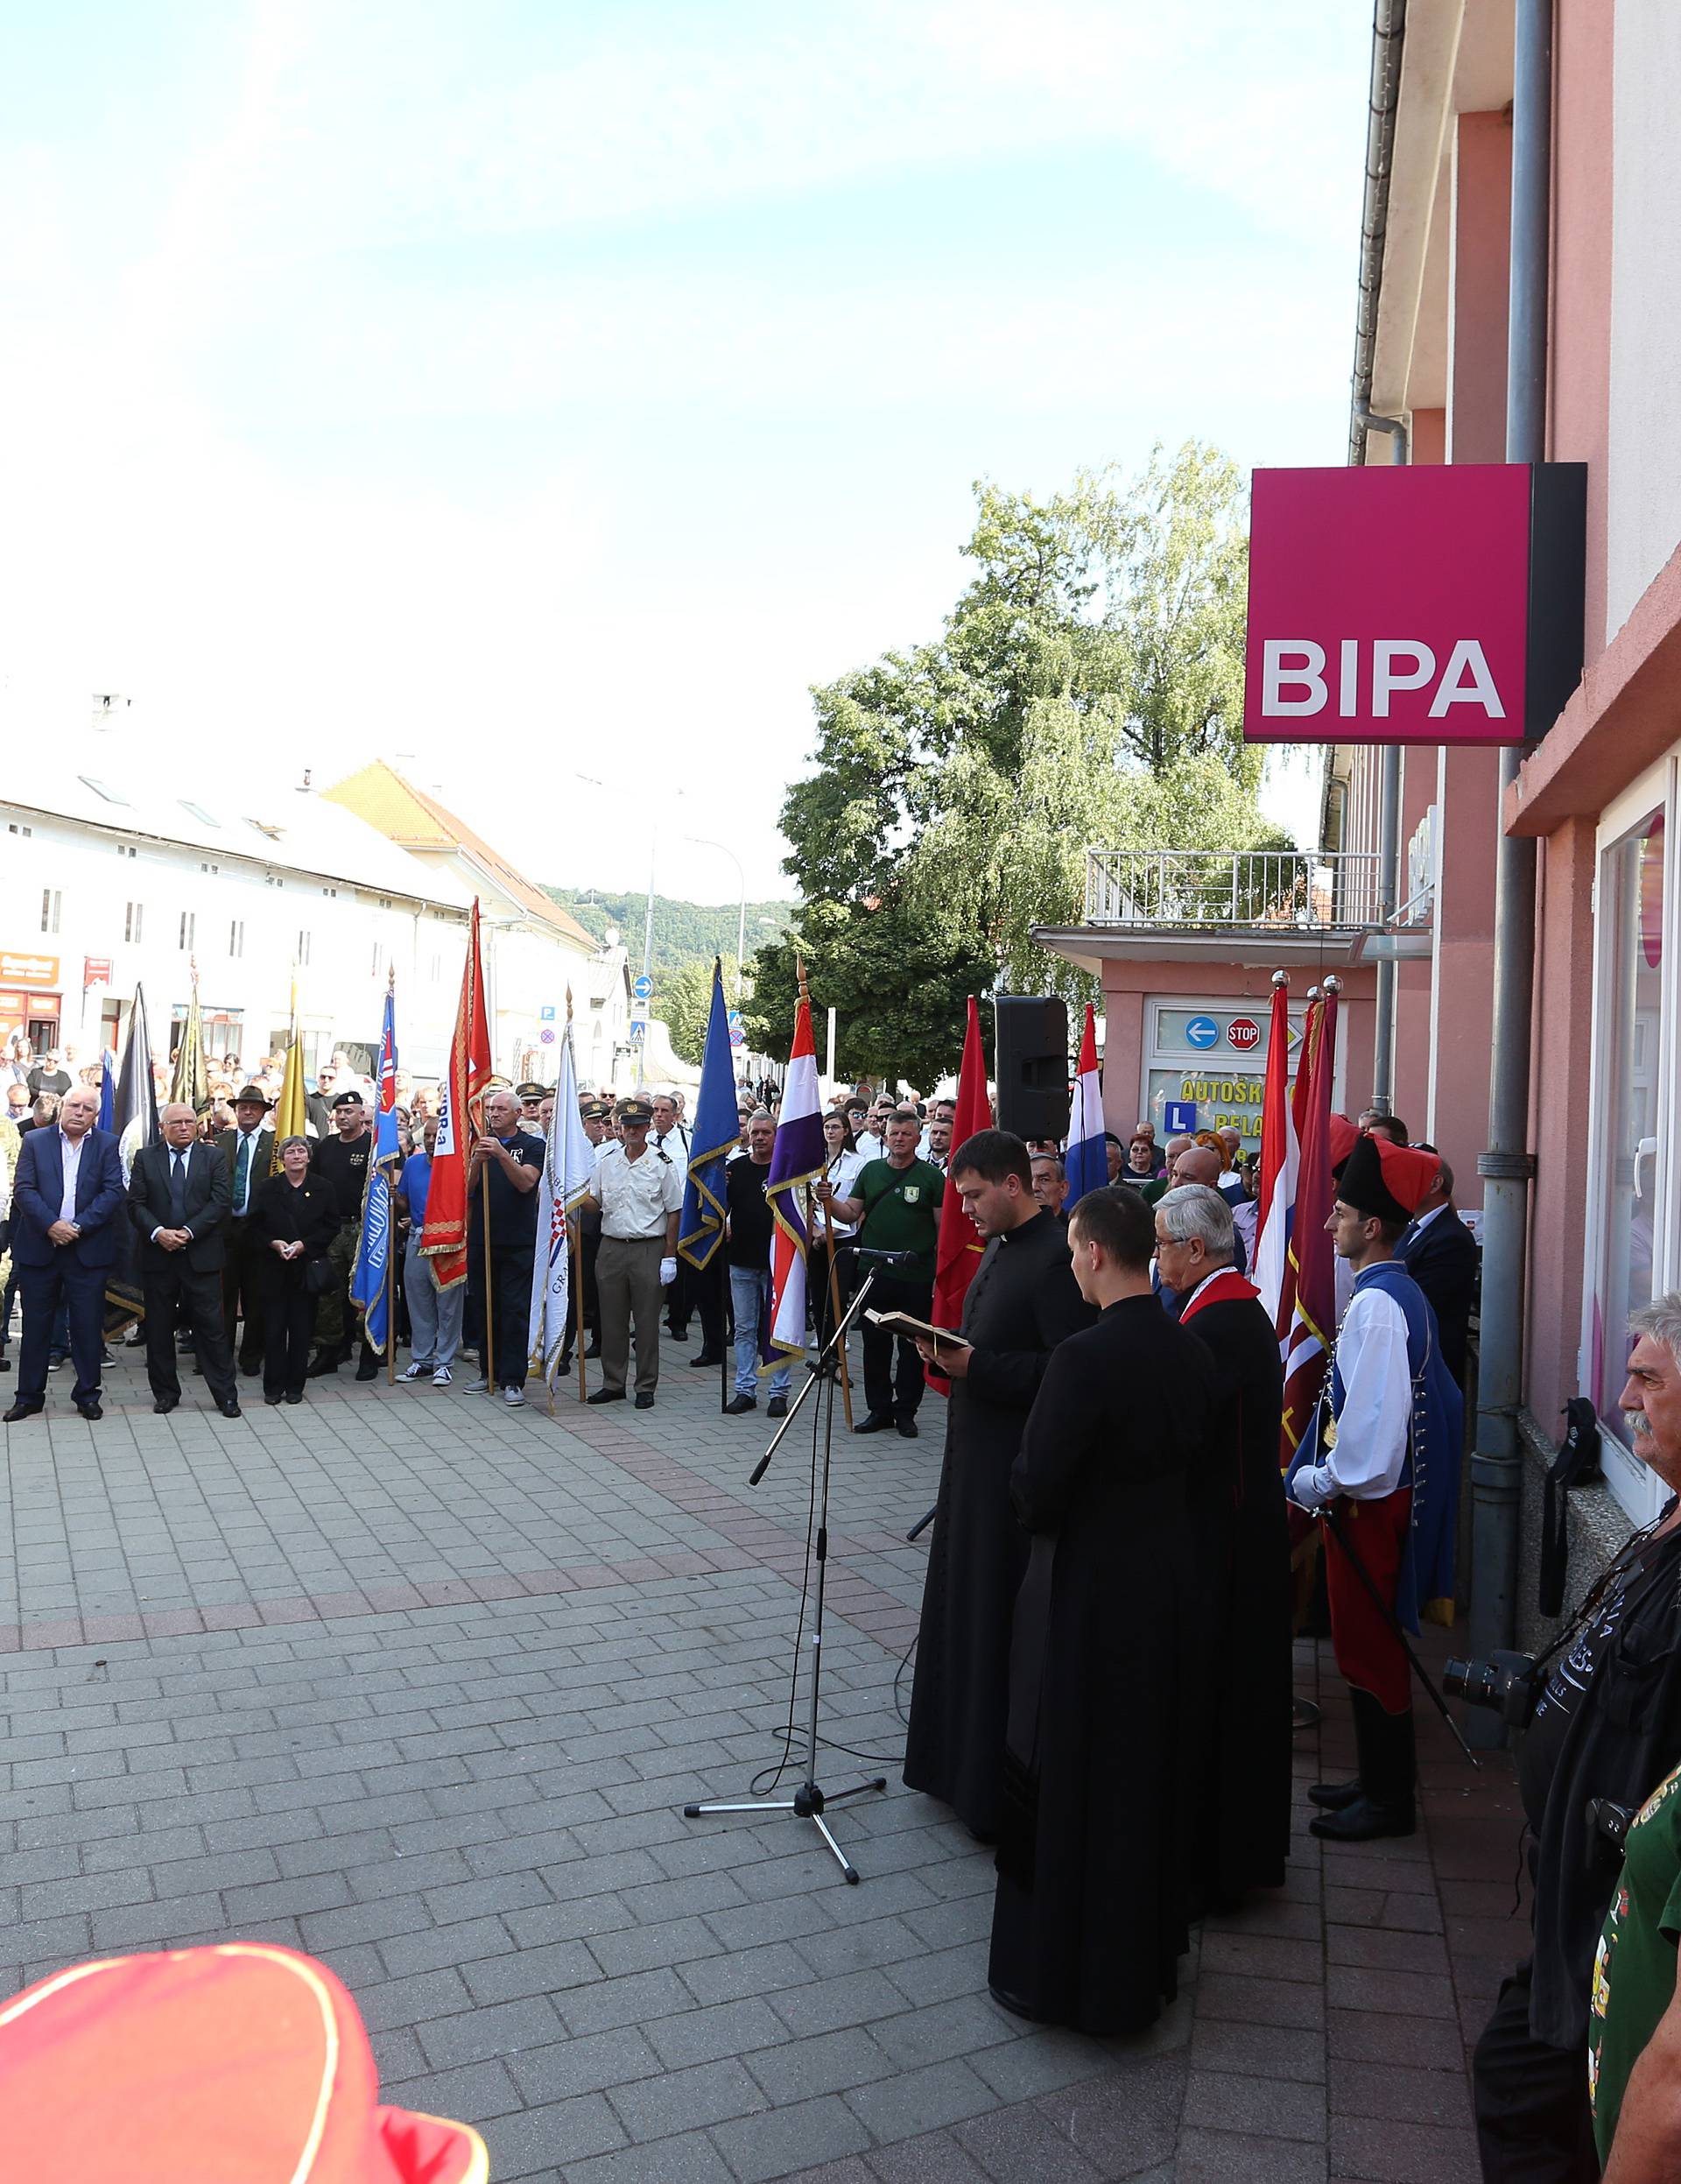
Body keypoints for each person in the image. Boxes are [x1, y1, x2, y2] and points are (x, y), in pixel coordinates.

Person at [987, 1183, 1210, 2033]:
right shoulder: (1188, 1349)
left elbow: (1037, 1487)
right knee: (1139, 1777)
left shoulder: (1083, 1357)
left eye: (1075, 1251)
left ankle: (1057, 1976)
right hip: (1163, 1594)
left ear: (1091, 1253)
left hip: (1083, 1600)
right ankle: (1134, 1969)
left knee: (1070, 1774)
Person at [1473, 1299, 1681, 2181]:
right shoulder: (1669, 1517)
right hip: (1578, 1898)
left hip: (1618, 1914)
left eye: (1649, 1377)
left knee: (1530, 2096)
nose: (1624, 1396)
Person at [904, 1130, 1095, 1839]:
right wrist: (946, 1344)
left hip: (1013, 1475)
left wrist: (975, 1367)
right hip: (972, 1466)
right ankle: (953, 1768)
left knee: (997, 1626)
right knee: (963, 1613)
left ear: (1014, 1185)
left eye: (976, 1196)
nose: (968, 1212)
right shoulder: (1006, 1251)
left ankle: (991, 1786)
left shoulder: (1054, 1262)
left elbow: (1065, 1372)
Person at [1285, 1132, 1462, 1843]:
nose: (1329, 1225)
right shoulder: (1386, 1292)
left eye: (1341, 1214)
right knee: (1362, 1644)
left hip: (1370, 1503)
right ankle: (1375, 1780)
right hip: (1365, 1499)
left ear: (1374, 1227)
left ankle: (1390, 1802)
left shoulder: (1381, 1304)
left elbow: (1376, 1430)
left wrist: (1321, 1481)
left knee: (1370, 1646)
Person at [1155, 1182, 1291, 1904]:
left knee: (1227, 1699)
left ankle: (1222, 1869)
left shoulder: (1220, 1320)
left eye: (1161, 1245)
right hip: (1236, 1524)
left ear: (1196, 1248)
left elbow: (1188, 1429)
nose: (1157, 1258)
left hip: (1229, 1538)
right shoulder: (1222, 1305)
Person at [819, 1107, 945, 1440]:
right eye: (894, 1134)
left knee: (912, 1348)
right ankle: (879, 1409)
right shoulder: (871, 1171)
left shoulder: (932, 1178)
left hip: (916, 1276)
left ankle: (906, 1411)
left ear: (918, 1138)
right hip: (873, 1273)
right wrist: (828, 1201)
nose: (899, 1139)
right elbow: (849, 1214)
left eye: (906, 1134)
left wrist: (938, 1274)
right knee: (875, 1346)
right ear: (885, 1137)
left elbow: (942, 1228)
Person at [3, 1086, 124, 1423]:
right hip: (40, 1248)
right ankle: (28, 1396)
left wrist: (78, 1226)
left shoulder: (107, 1145)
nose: (80, 1112)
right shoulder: (36, 1141)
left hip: (87, 1251)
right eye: (74, 1105)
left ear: (95, 1115)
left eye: (88, 1108)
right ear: (62, 1107)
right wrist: (52, 1226)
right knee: (37, 1327)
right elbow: (23, 1189)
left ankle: (87, 1395)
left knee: (86, 1327)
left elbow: (113, 1191)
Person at [581, 1096, 681, 1410]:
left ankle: (645, 1385)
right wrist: (575, 1193)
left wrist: (669, 1255)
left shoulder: (661, 1164)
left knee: (647, 1321)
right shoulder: (607, 1162)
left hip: (648, 1248)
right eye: (627, 1126)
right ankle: (613, 1383)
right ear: (619, 1128)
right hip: (611, 1246)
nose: (632, 1131)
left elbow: (674, 1210)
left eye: (638, 1125)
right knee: (611, 1319)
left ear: (647, 1126)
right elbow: (596, 1204)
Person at [252, 1136, 350, 1403]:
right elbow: (254, 1226)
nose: (296, 1155)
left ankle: (295, 1387)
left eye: (301, 1151)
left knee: (301, 1330)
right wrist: (273, 1243)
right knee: (273, 1331)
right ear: (282, 1159)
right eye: (290, 1151)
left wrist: (305, 1245)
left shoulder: (323, 1188)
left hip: (306, 1269)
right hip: (273, 1269)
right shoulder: (267, 1187)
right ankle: (272, 1387)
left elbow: (332, 1226)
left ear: (308, 1158)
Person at [463, 1088, 543, 1406]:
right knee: (484, 1307)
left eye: (500, 1109)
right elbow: (467, 1191)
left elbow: (526, 1183)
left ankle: (513, 1379)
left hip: (518, 1241)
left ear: (518, 1114)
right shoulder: (480, 1145)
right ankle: (488, 1372)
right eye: (491, 1109)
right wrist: (475, 1162)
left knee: (513, 1310)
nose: (493, 1114)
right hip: (484, 1239)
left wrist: (500, 1154)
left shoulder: (533, 1146)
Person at [722, 1112, 791, 1420]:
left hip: (780, 1263)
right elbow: (721, 1208)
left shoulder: (787, 1171)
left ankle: (779, 1392)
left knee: (778, 1328)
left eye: (766, 1132)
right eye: (755, 1132)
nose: (760, 1137)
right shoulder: (734, 1170)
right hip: (741, 1260)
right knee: (744, 1328)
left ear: (776, 1135)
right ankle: (745, 1389)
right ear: (747, 1136)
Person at [1395, 1150, 1479, 1390]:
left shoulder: (1450, 1238)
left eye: (1408, 1175)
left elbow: (1418, 1304)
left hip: (1427, 1372)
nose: (1399, 1182)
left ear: (1435, 1183)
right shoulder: (1414, 1229)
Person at [307, 1092, 375, 1378]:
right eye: (339, 1111)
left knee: (365, 1291)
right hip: (332, 1229)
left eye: (350, 1110)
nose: (344, 1116)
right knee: (329, 1292)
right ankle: (329, 1350)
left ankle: (371, 1350)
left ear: (362, 1114)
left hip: (364, 1228)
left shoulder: (373, 1145)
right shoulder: (326, 1147)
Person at [394, 1115, 462, 1385]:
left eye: (437, 1136)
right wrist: (390, 1191)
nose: (432, 1141)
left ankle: (444, 1361)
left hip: (448, 1241)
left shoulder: (456, 1166)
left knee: (448, 1302)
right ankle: (422, 1359)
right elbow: (404, 1201)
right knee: (418, 1300)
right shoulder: (412, 1164)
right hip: (417, 1237)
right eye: (428, 1136)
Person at [216, 1085, 274, 1377]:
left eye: (253, 1107)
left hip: (258, 1230)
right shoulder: (220, 1142)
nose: (247, 1111)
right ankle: (220, 1355)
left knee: (257, 1296)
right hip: (225, 1230)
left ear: (264, 1111)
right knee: (224, 1295)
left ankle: (251, 1354)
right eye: (242, 1107)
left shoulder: (275, 1143)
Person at [811, 1110, 868, 1370]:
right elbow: (806, 1201)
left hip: (843, 1238)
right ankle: (823, 1352)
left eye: (836, 1127)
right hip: (816, 1238)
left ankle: (835, 1352)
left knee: (838, 1297)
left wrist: (832, 1232)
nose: (830, 1131)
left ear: (846, 1131)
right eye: (826, 1127)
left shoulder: (858, 1163)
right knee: (819, 1295)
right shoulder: (814, 1162)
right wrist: (815, 1231)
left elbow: (859, 1205)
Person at [559, 1100, 609, 1373]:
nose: (599, 1126)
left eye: (603, 1121)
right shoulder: (575, 1148)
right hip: (578, 1226)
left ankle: (601, 1340)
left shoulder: (609, 1150)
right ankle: (564, 1348)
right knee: (577, 1289)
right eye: (593, 1121)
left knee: (598, 1287)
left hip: (600, 1224)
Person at [651, 1093, 693, 1338]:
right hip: (650, 1214)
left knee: (678, 1269)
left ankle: (678, 1321)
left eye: (664, 1111)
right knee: (651, 1269)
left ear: (675, 1115)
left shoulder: (686, 1140)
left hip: (678, 1213)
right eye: (655, 1110)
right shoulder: (644, 1140)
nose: (659, 1115)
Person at [1029, 1152, 1067, 1221]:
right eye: (1028, 1180)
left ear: (1063, 1189)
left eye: (1044, 1180)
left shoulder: (1076, 1229)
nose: (1034, 1187)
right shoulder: (1010, 1228)